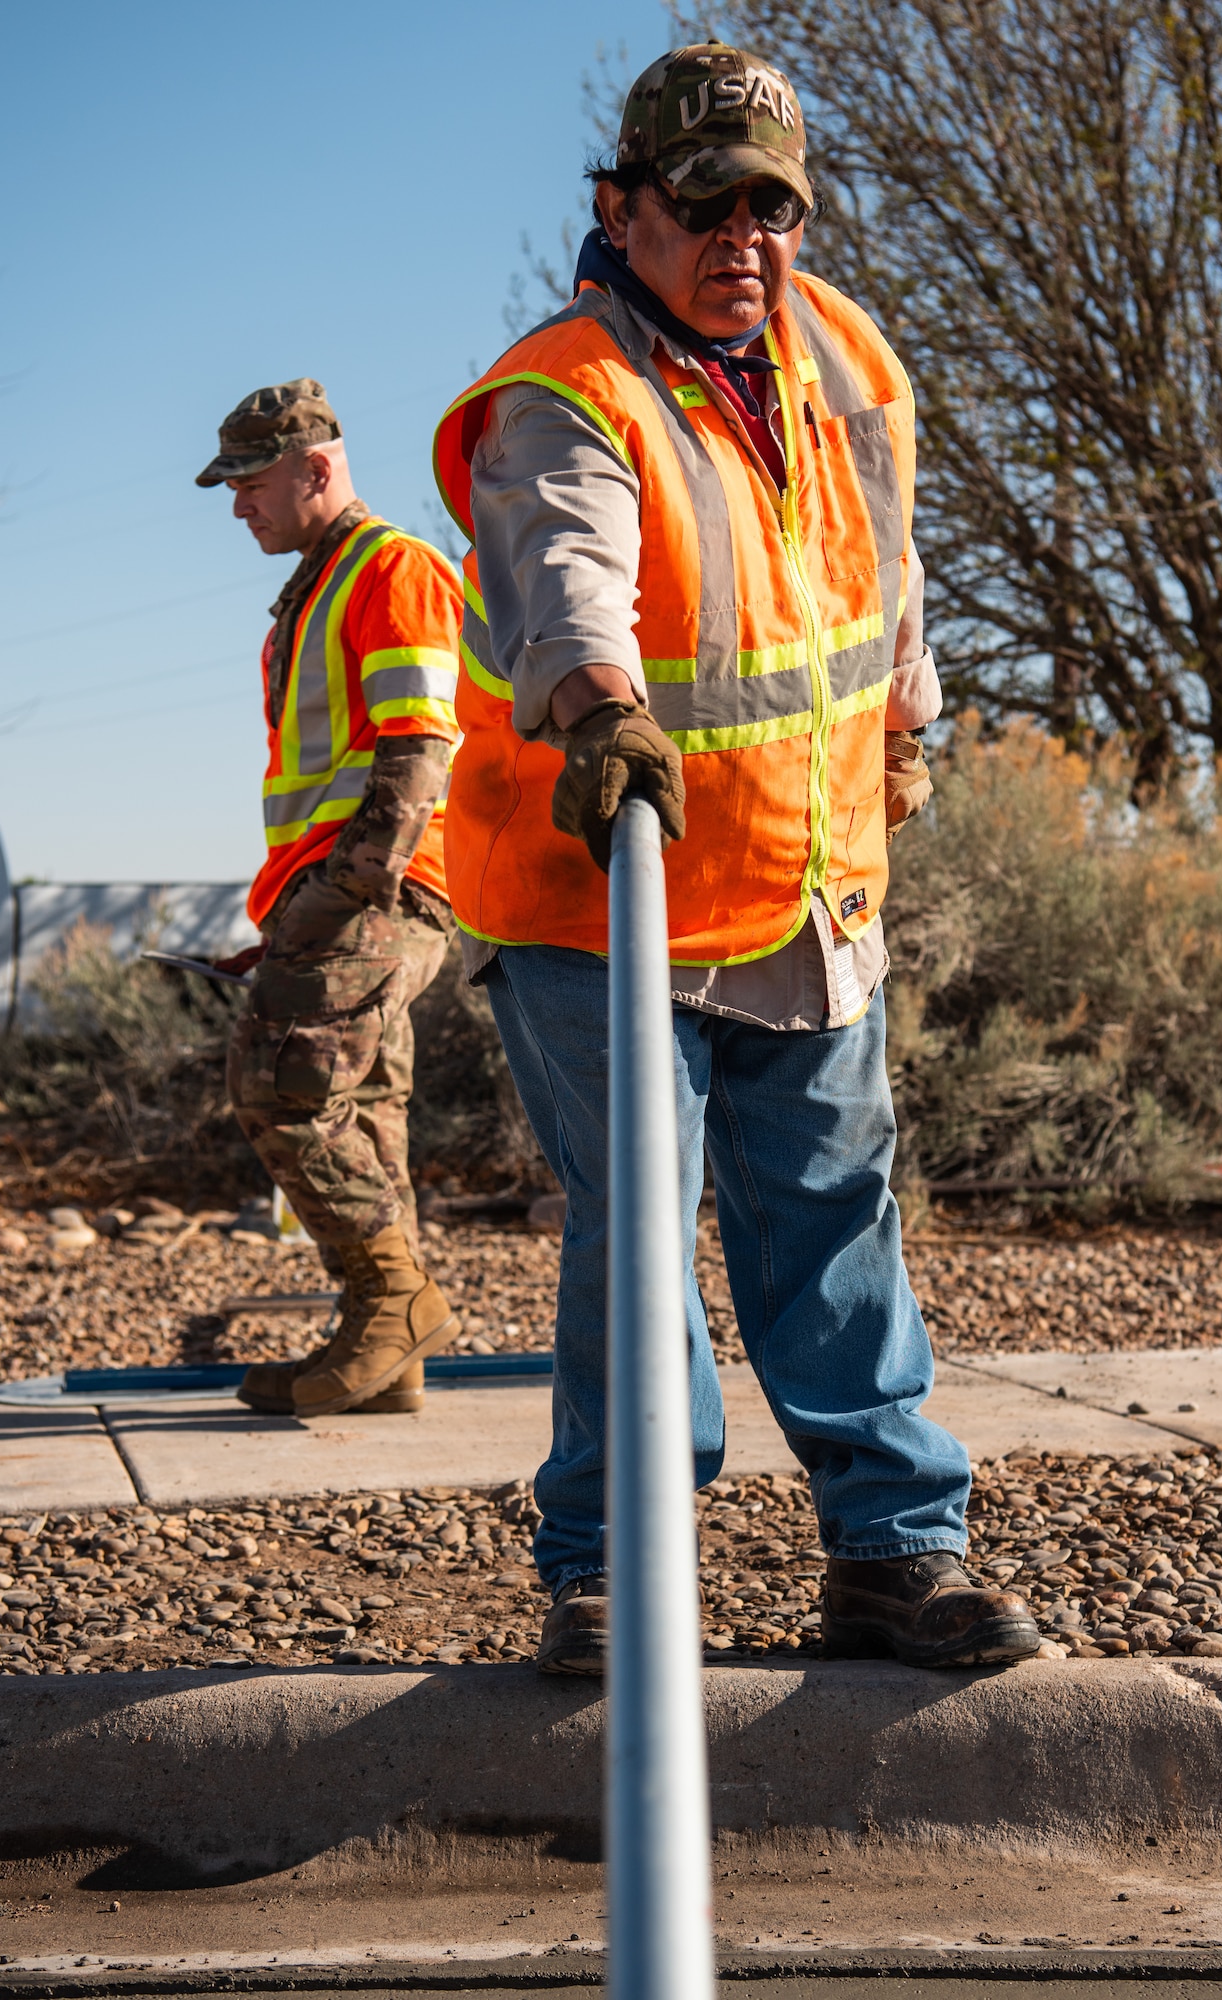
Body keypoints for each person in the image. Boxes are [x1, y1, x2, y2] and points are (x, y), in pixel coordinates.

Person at [433, 45, 1041, 1672]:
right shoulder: (563, 389)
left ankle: (890, 1561)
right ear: (623, 209)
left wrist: (905, 723)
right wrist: (598, 706)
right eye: (705, 206)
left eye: (771, 207)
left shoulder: (842, 358)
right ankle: (615, 1569)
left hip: (805, 889)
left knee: (835, 1220)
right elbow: (566, 568)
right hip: (603, 904)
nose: (742, 242)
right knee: (640, 1231)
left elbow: (887, 565)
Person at [197, 379, 464, 1417]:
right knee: (363, 1110)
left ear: (318, 469)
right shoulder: (319, 585)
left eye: (250, 483)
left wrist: (343, 892)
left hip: (379, 888)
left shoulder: (389, 568)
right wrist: (297, 910)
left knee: (280, 1085)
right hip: (343, 892)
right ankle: (386, 1354)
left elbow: (418, 746)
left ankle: (394, 1299)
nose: (236, 506)